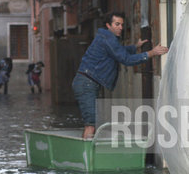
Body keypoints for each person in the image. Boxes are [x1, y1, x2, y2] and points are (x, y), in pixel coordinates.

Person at [72, 11, 168, 139]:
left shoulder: (106, 37)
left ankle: (88, 155)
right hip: (86, 84)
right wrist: (151, 53)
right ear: (108, 25)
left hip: (88, 83)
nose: (120, 28)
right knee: (91, 124)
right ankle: (87, 158)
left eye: (122, 25)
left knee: (91, 122)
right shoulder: (108, 38)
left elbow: (117, 51)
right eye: (117, 24)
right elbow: (125, 59)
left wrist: (135, 47)